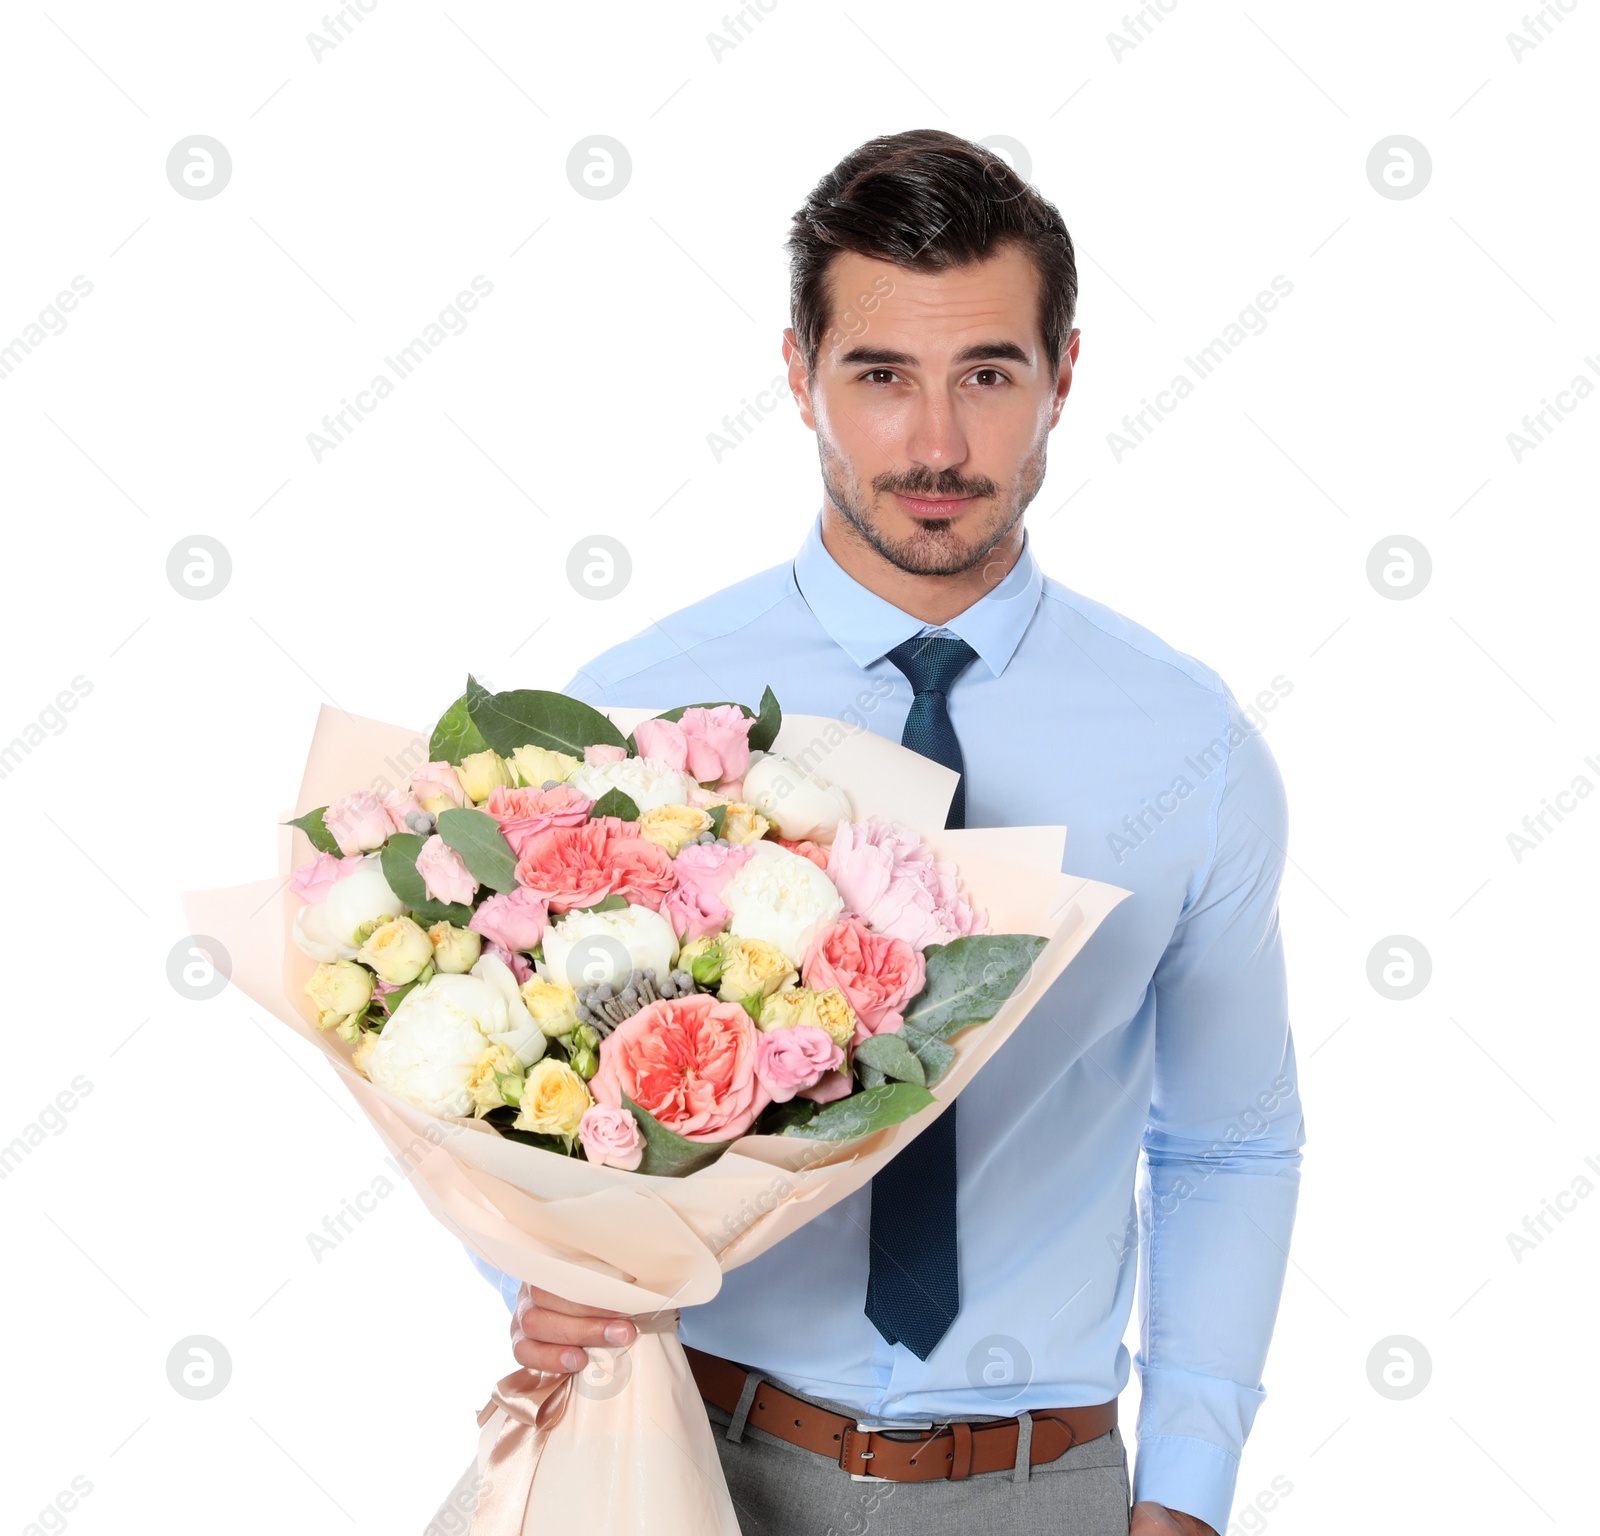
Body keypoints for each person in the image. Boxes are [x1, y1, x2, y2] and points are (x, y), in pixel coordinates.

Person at [472, 128, 1304, 1536]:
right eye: (879, 378)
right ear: (798, 374)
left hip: (1043, 1492)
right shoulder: (639, 714)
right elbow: (531, 1096)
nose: (935, 445)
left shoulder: (1188, 746)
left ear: (1064, 377)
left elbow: (1228, 1140)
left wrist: (1189, 1491)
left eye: (988, 374)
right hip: (689, 1460)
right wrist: (542, 1287)